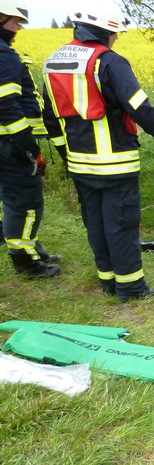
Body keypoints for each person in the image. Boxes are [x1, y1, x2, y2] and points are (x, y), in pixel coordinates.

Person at [42, 2, 154, 301]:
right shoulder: (109, 62)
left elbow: (51, 119)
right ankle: (131, 287)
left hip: (79, 164)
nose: (116, 40)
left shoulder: (53, 62)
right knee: (122, 225)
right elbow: (141, 110)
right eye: (115, 34)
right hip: (115, 164)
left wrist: (65, 156)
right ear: (105, 30)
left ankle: (108, 282)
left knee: (96, 223)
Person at [0, 0, 60, 278]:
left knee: (15, 199)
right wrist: (30, 147)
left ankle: (33, 250)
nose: (19, 28)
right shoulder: (3, 55)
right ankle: (25, 261)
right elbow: (7, 106)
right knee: (25, 202)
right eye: (15, 21)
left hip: (7, 143)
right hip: (11, 143)